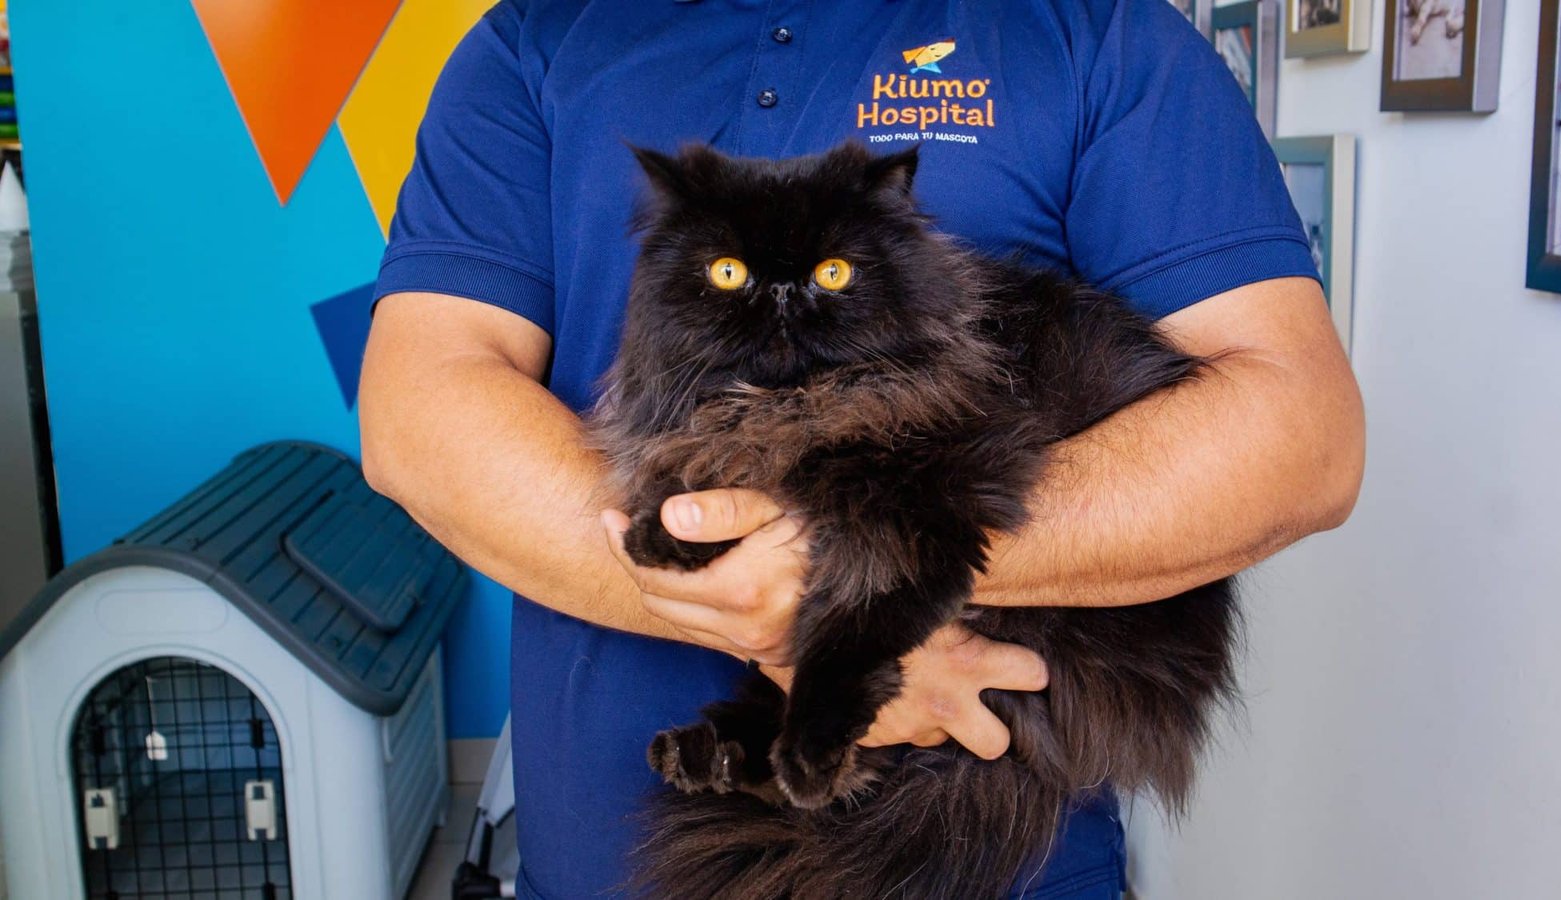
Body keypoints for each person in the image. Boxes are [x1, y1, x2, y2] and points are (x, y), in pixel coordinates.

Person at [358, 0, 1365, 896]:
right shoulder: (532, 40)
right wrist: (784, 610)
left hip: (998, 865)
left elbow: (1301, 434)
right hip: (598, 856)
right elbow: (417, 409)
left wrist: (891, 580)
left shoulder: (1097, 32)